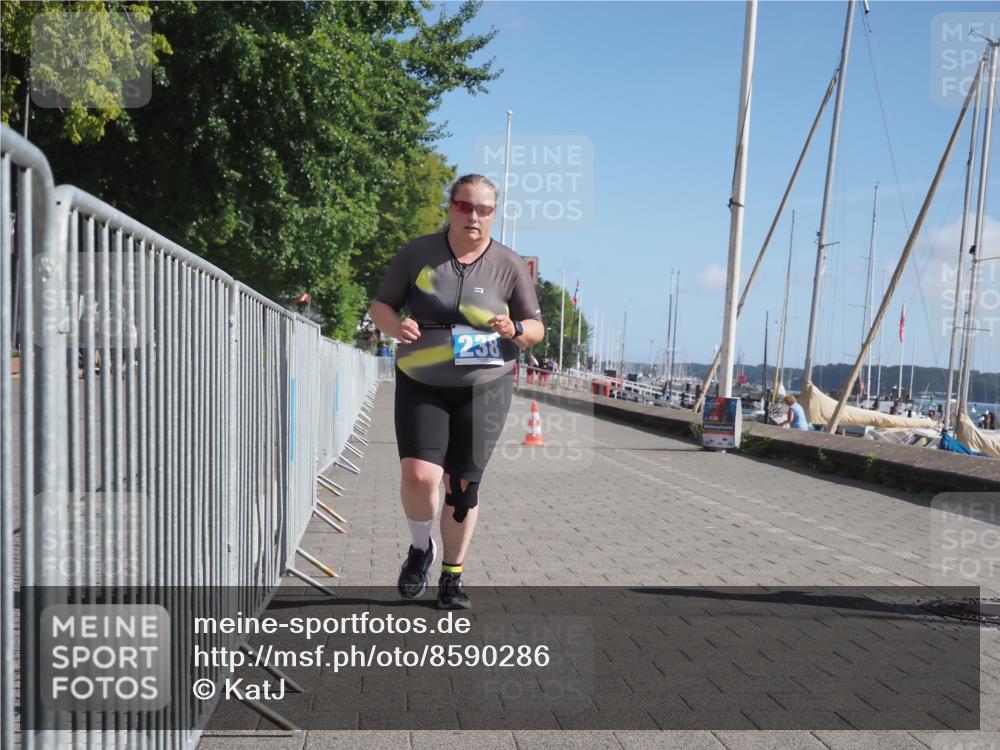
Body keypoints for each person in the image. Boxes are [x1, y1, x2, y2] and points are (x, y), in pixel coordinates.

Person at [369, 174, 544, 610]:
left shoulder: (509, 264)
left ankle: (452, 575)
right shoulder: (417, 253)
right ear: (450, 207)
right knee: (419, 475)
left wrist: (516, 328)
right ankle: (418, 549)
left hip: (485, 384)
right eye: (465, 206)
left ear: (494, 214)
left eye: (484, 209)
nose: (474, 216)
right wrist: (393, 325)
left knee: (462, 484)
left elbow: (537, 328)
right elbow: (380, 305)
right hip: (421, 376)